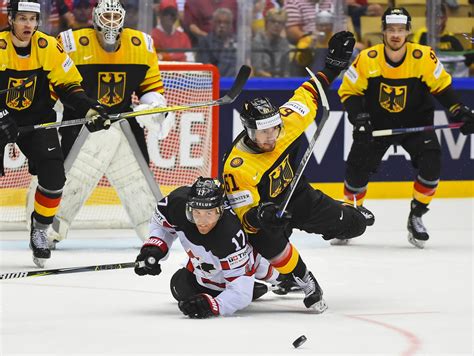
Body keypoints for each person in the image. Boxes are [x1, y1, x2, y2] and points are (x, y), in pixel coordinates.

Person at [222, 31, 374, 312]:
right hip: (268, 212)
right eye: (262, 132)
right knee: (263, 241)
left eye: (274, 129)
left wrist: (333, 64)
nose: (270, 137)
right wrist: (262, 215)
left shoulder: (287, 123)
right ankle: (302, 278)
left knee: (356, 225)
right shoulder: (238, 168)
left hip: (297, 195)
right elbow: (247, 219)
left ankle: (345, 210)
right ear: (248, 129)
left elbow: (309, 92)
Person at [338, 7, 474, 249]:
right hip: (376, 125)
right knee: (357, 166)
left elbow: (443, 89)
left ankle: (417, 215)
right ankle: (350, 216)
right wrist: (358, 118)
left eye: (401, 30)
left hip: (416, 124)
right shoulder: (367, 58)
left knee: (432, 163)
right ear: (383, 31)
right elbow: (349, 92)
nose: (396, 35)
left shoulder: (424, 57)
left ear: (409, 31)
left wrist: (458, 110)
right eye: (391, 29)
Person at [45, 0, 169, 248]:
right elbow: (55, 85)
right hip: (82, 119)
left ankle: (151, 229)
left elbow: (151, 88)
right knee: (73, 175)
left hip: (122, 120)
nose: (111, 22)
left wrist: (152, 106)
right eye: (106, 16)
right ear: (95, 17)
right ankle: (48, 227)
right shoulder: (70, 42)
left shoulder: (141, 45)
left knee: (137, 178)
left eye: (115, 16)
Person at [0, 0, 110, 267]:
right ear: (11, 19)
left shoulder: (47, 46)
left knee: (54, 177)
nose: (28, 24)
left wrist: (89, 110)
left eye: (32, 19)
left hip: (38, 120)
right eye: (22, 18)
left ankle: (39, 229)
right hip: (2, 118)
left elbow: (68, 86)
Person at [134, 177, 280, 319]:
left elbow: (241, 293)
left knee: (264, 273)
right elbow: (161, 226)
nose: (202, 222)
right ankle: (248, 286)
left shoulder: (229, 234)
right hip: (206, 272)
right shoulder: (177, 204)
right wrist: (154, 248)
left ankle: (281, 277)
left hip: (241, 266)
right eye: (197, 213)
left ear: (220, 210)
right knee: (179, 286)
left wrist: (213, 305)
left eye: (209, 214)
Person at [196, 7, 236, 77]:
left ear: (231, 25)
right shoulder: (205, 42)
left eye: (226, 22)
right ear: (213, 23)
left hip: (237, 82)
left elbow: (246, 64)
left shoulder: (237, 41)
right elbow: (207, 68)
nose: (222, 25)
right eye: (219, 22)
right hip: (214, 82)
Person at [251, 8, 289, 77]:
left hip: (281, 82)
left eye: (280, 23)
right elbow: (257, 70)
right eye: (273, 21)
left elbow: (286, 70)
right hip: (262, 82)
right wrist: (273, 79)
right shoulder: (258, 41)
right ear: (266, 23)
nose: (276, 25)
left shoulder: (284, 43)